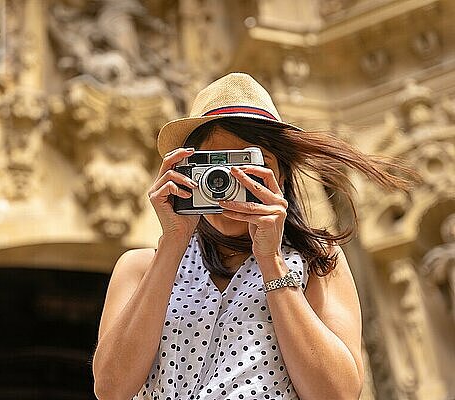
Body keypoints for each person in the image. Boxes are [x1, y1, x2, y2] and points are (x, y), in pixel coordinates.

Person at [92, 72, 415, 400]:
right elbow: (111, 388)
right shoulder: (140, 267)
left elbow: (338, 395)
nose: (231, 186)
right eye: (216, 169)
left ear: (281, 176)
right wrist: (172, 243)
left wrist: (272, 263)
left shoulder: (319, 261)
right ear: (187, 171)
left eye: (248, 168)